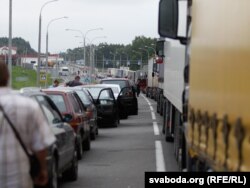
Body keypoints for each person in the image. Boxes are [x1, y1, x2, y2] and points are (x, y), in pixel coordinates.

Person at [0, 62, 56, 188]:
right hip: (19, 180)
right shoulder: (28, 105)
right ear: (8, 77)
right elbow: (41, 146)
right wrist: (42, 169)